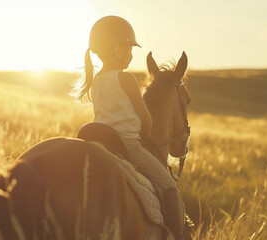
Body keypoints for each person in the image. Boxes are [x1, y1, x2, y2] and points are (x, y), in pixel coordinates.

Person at [71, 16, 184, 239]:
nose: (131, 55)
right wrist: (146, 133)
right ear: (115, 49)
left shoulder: (96, 81)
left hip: (99, 141)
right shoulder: (126, 79)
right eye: (129, 48)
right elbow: (147, 120)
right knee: (170, 186)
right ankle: (175, 236)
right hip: (128, 145)